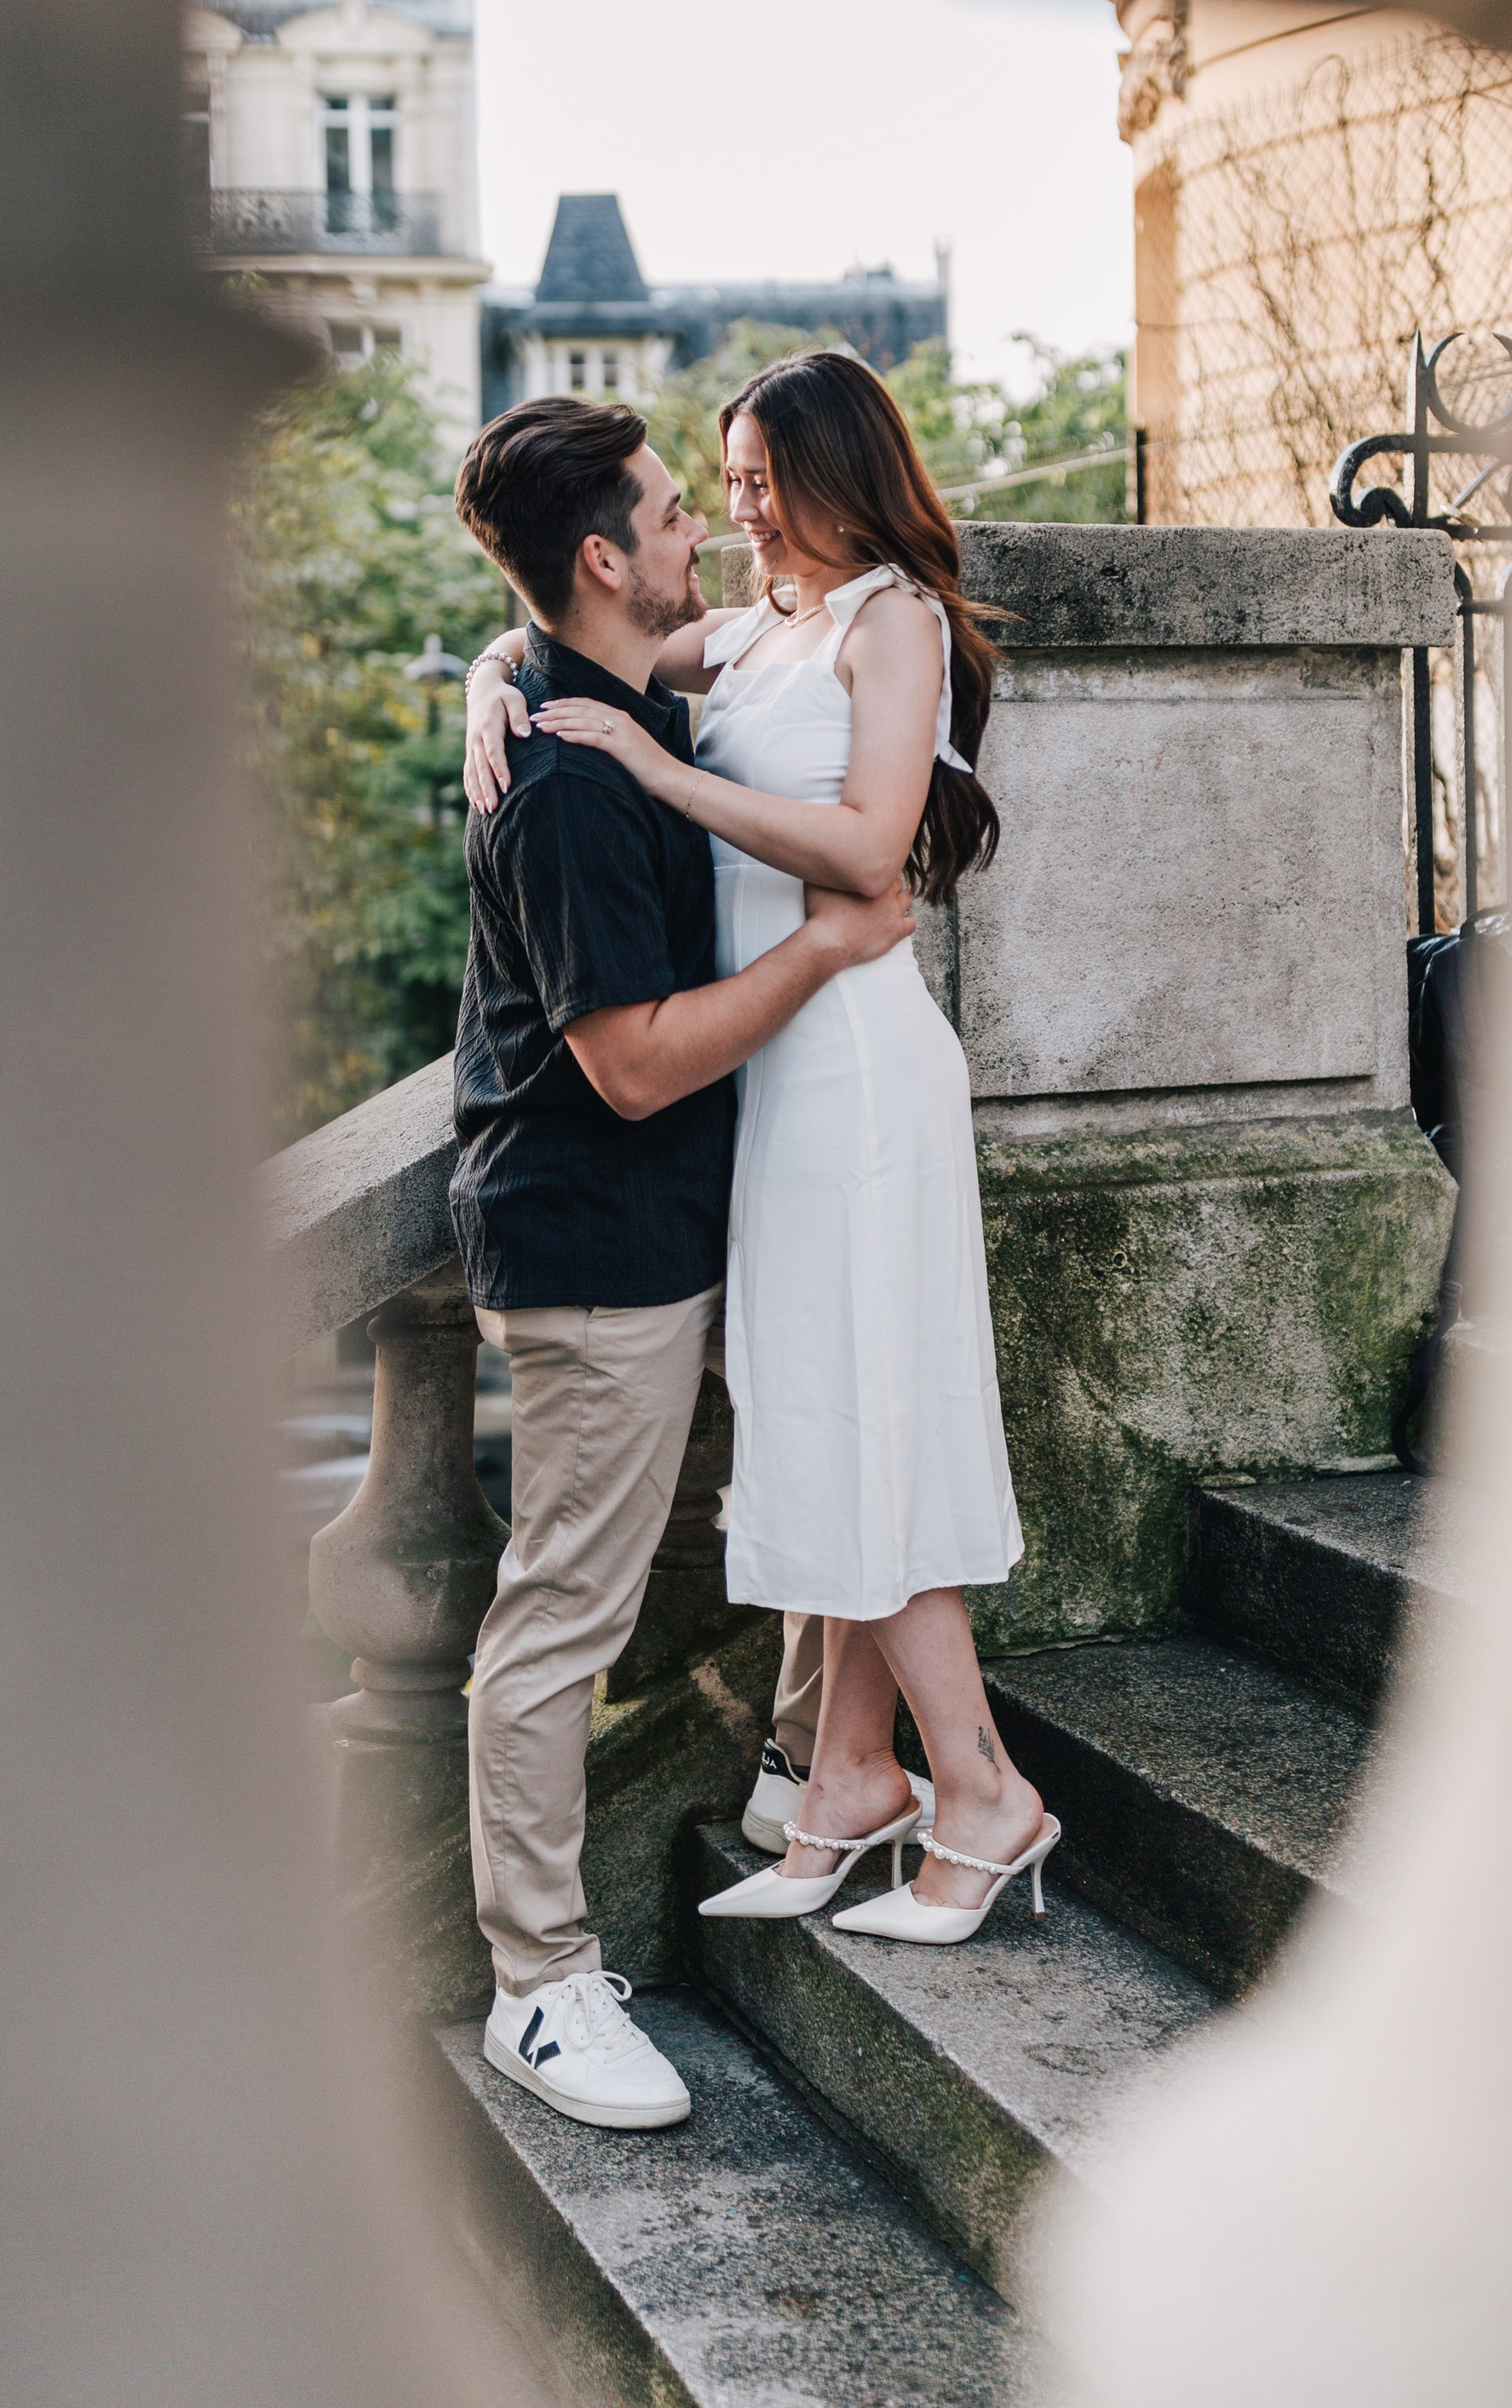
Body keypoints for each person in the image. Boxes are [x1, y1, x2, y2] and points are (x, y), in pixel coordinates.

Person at [465, 349, 1058, 1956]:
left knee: (857, 1417)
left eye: (750, 480)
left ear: (827, 472)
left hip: (857, 1078)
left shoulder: (890, 621)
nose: (728, 511)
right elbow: (575, 629)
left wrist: (660, 767)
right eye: (710, 486)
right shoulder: (758, 633)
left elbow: (873, 848)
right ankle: (849, 1778)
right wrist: (485, 681)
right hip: (779, 1085)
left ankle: (983, 1790)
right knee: (819, 1414)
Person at [447, 396, 913, 2134]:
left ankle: (818, 1772)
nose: (695, 534)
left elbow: (798, 644)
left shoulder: (606, 693)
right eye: (666, 514)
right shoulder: (565, 779)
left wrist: (495, 660)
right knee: (562, 1610)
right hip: (590, 1250)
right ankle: (539, 1985)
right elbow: (631, 1061)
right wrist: (826, 952)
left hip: (692, 1221)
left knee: (790, 1494)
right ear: (598, 555)